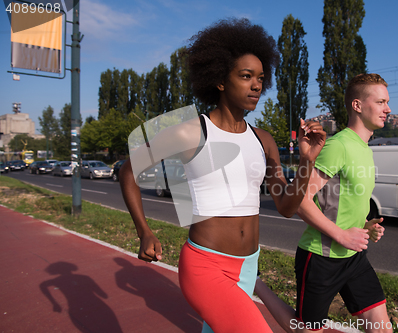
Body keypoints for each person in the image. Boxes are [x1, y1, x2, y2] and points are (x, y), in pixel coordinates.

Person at [119, 18, 326, 333]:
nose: (256, 85)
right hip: (206, 266)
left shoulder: (263, 139)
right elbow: (129, 170)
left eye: (260, 77)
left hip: (248, 265)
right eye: (245, 76)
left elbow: (285, 207)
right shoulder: (192, 131)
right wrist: (144, 231)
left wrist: (307, 161)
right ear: (219, 80)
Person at [293, 73, 392, 333]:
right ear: (357, 105)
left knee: (382, 329)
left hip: (354, 258)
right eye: (381, 102)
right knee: (305, 330)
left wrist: (365, 226)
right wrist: (342, 235)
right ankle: (258, 286)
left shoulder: (365, 148)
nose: (388, 109)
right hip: (321, 258)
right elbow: (300, 201)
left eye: (387, 102)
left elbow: (344, 200)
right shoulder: (338, 146)